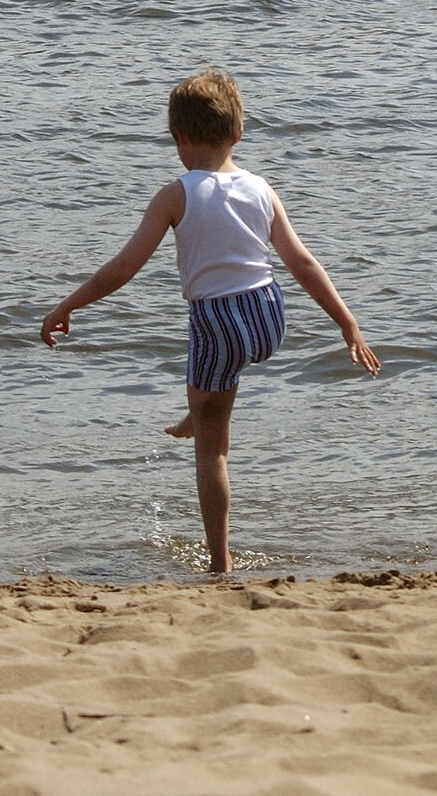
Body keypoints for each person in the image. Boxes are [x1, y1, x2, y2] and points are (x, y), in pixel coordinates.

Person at [40, 68, 379, 575]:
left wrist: (69, 304)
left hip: (217, 323)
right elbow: (302, 262)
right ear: (238, 133)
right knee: (217, 383)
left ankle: (219, 562)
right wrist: (348, 325)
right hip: (268, 316)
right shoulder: (261, 189)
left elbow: (123, 267)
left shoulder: (177, 193)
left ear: (179, 138)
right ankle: (197, 414)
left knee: (213, 449)